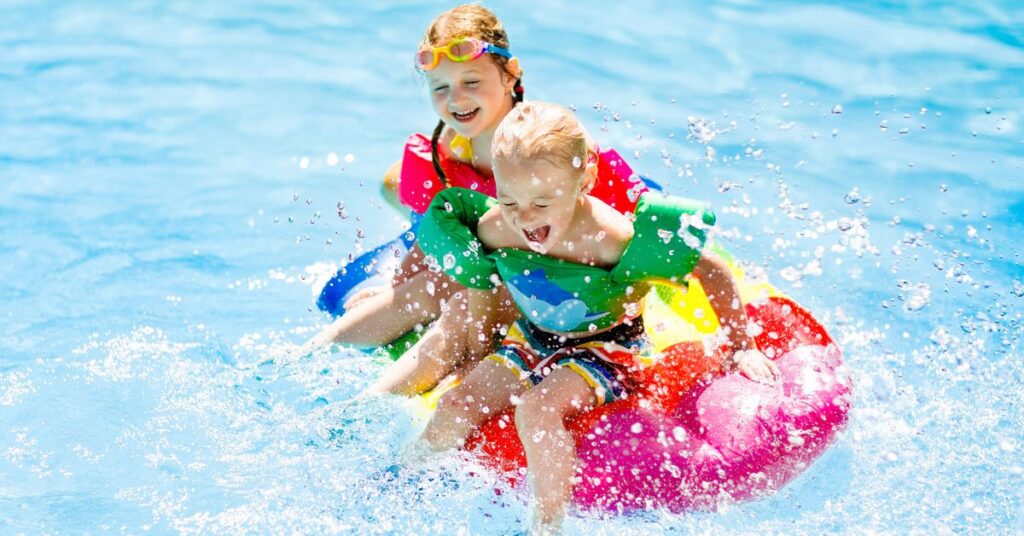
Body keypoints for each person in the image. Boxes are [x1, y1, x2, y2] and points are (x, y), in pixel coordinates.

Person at [413, 102, 779, 532]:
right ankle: (406, 480)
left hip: (607, 348)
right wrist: (480, 348)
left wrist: (741, 348)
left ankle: (546, 524)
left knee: (536, 410)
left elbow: (708, 268)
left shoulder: (609, 238)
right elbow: (482, 280)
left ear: (583, 180)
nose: (524, 217)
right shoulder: (498, 226)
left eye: (541, 202)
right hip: (529, 338)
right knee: (457, 402)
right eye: (509, 198)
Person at [303, 5, 650, 396]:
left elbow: (645, 220)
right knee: (428, 276)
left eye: (471, 81)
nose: (457, 98)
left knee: (452, 299)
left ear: (510, 74)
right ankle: (309, 357)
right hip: (488, 265)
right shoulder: (446, 153)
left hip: (546, 281)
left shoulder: (549, 149)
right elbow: (437, 234)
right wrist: (395, 285)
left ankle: (375, 399)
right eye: (440, 88)